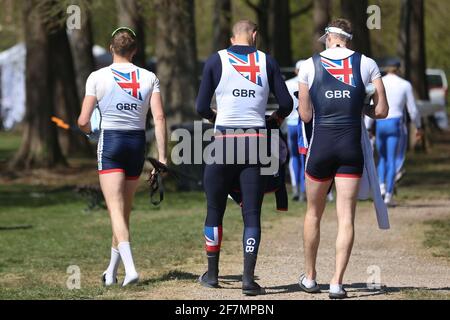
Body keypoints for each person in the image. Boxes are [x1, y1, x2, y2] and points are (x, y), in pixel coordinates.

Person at [196, 19, 292, 296]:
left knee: (214, 211)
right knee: (252, 215)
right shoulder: (267, 61)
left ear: (231, 38)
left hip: (223, 141)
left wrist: (216, 117)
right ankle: (248, 280)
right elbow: (286, 103)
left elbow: (201, 106)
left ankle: (212, 275)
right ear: (254, 35)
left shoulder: (216, 60)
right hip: (256, 142)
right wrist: (274, 119)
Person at [297, 19, 389, 299]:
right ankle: (337, 283)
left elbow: (305, 115)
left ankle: (311, 278)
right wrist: (363, 110)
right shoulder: (367, 63)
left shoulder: (308, 65)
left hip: (321, 147)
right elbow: (383, 110)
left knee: (314, 213)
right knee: (346, 217)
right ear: (348, 38)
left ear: (328, 37)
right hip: (351, 146)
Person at [78, 27, 167, 286]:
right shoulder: (149, 77)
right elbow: (159, 118)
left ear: (111, 49)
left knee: (115, 210)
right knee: (124, 212)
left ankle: (130, 269)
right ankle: (111, 272)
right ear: (135, 50)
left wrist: (88, 132)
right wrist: (162, 157)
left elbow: (83, 120)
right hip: (137, 143)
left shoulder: (97, 76)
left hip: (111, 143)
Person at [376, 59, 422, 206]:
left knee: (381, 158)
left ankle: (381, 187)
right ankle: (389, 196)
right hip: (395, 123)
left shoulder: (379, 81)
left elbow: (373, 104)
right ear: (398, 69)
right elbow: (412, 110)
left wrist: (368, 125)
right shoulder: (405, 84)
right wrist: (419, 126)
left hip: (379, 122)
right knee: (393, 160)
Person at [285, 60, 307, 201]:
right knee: (304, 157)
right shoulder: (309, 82)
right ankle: (304, 190)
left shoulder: (287, 84)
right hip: (303, 124)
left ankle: (296, 189)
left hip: (291, 123)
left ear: (295, 70)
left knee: (293, 157)